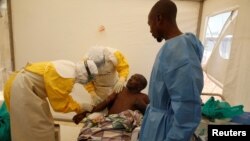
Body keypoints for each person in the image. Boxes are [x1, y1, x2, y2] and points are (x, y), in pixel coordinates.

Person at [139, 1, 204, 141]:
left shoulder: (179, 51)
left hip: (165, 129)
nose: (150, 30)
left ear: (159, 18)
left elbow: (188, 106)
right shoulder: (173, 47)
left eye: (149, 24)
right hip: (157, 123)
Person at [3, 59, 98, 141]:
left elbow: (61, 95)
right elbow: (59, 105)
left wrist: (78, 107)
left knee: (39, 126)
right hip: (22, 89)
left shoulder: (69, 68)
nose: (87, 82)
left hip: (23, 87)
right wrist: (80, 107)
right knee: (35, 130)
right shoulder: (66, 77)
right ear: (85, 75)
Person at [73, 73, 149, 124]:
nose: (130, 79)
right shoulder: (120, 90)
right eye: (131, 77)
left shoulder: (143, 97)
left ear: (140, 86)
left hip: (124, 126)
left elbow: (150, 115)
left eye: (135, 79)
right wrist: (84, 113)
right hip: (109, 122)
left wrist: (143, 107)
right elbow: (105, 103)